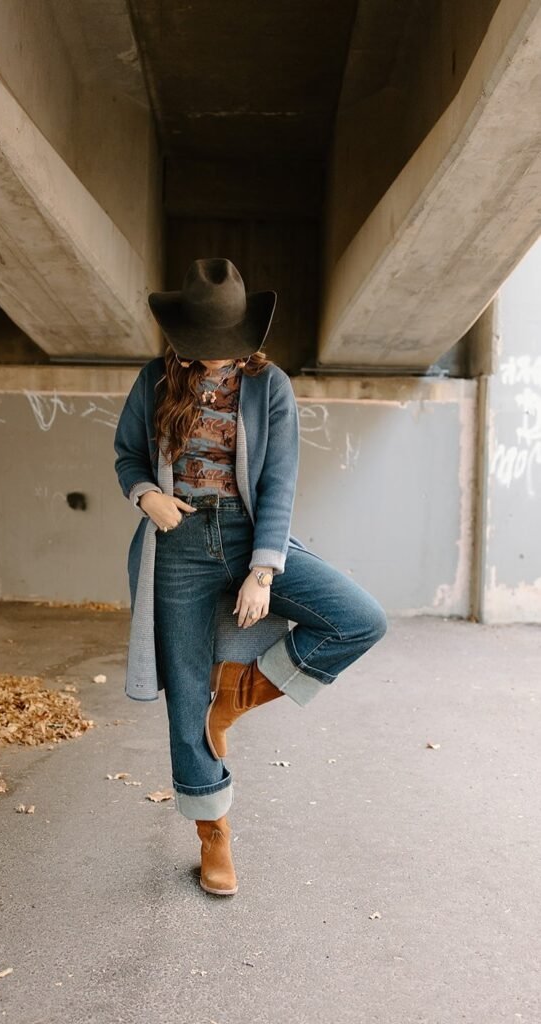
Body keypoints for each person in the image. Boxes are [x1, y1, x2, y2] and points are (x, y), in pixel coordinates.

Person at [113, 257, 388, 897]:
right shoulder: (156, 379)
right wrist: (147, 495)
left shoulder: (271, 387)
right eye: (203, 350)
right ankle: (214, 834)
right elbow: (128, 455)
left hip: (247, 535)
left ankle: (236, 698)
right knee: (184, 695)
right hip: (177, 542)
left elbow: (279, 481)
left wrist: (264, 571)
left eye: (226, 349)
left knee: (358, 619)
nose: (215, 360)